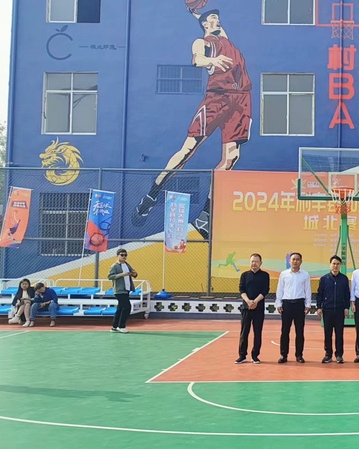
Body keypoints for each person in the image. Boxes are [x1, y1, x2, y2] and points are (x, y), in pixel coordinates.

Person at [132, 7, 252, 240]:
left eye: (218, 17)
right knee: (188, 149)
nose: (217, 20)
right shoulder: (203, 42)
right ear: (206, 24)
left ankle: (205, 215)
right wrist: (211, 60)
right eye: (212, 18)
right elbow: (197, 58)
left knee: (231, 158)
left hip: (241, 100)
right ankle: (152, 194)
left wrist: (194, 11)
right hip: (217, 98)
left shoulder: (225, 40)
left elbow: (204, 17)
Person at [275, 252, 311, 363]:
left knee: (299, 331)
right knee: (285, 331)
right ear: (289, 261)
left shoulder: (305, 274)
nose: (295, 261)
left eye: (297, 259)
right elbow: (280, 289)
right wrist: (278, 303)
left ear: (301, 261)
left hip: (299, 304)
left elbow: (307, 290)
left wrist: (308, 305)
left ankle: (299, 355)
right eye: (293, 259)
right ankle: (283, 355)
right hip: (287, 305)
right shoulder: (284, 274)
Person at [316, 256, 351, 364]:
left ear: (340, 265)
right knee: (328, 334)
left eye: (337, 264)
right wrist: (319, 307)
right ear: (330, 265)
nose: (335, 266)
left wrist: (346, 307)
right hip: (327, 310)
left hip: (340, 310)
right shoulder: (324, 279)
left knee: (339, 334)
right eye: (333, 264)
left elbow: (347, 294)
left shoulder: (344, 279)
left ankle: (339, 355)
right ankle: (328, 355)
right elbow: (320, 294)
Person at [236, 253, 269, 364]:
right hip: (246, 308)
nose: (254, 263)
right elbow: (241, 289)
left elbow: (265, 290)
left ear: (260, 263)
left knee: (257, 332)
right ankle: (242, 355)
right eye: (252, 261)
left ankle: (255, 355)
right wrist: (248, 301)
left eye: (256, 261)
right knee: (244, 332)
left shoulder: (265, 275)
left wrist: (255, 301)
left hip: (258, 308)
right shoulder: (244, 275)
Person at [108, 249, 138, 333]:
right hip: (119, 290)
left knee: (120, 308)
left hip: (126, 289)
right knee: (127, 307)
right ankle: (121, 326)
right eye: (122, 255)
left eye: (125, 255)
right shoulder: (115, 266)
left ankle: (114, 326)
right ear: (117, 256)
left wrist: (134, 274)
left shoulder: (127, 264)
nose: (124, 257)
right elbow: (110, 276)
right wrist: (122, 274)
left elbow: (133, 273)